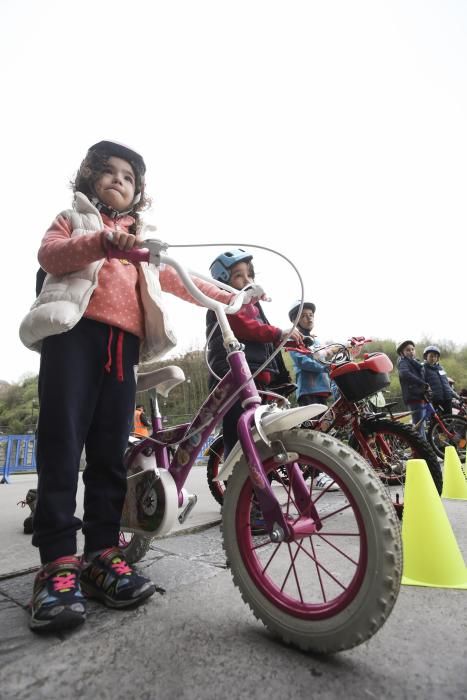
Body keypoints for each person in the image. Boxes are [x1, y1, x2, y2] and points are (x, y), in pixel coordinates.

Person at [19, 140, 243, 634]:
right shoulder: (75, 219)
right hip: (72, 338)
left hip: (123, 349)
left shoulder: (144, 242)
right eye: (110, 172)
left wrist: (235, 296)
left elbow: (185, 281)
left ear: (138, 193)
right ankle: (57, 562)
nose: (120, 180)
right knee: (61, 445)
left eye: (129, 177)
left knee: (108, 450)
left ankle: (102, 553)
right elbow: (50, 255)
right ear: (89, 179)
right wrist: (100, 242)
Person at [206, 249, 302, 458]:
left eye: (249, 275)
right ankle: (236, 475)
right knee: (239, 429)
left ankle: (256, 472)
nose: (247, 280)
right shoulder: (226, 303)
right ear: (222, 281)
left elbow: (265, 337)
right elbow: (245, 327)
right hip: (234, 377)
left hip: (255, 376)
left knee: (258, 430)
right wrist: (278, 332)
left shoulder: (251, 304)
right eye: (238, 275)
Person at [287, 301, 339, 490]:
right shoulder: (293, 340)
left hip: (323, 391)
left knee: (324, 432)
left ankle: (322, 472)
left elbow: (326, 356)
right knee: (314, 435)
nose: (309, 318)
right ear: (295, 320)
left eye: (311, 315)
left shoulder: (316, 341)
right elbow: (303, 362)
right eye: (304, 315)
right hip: (308, 392)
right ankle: (316, 477)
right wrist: (325, 366)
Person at [396, 340, 430, 439]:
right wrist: (421, 382)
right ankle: (420, 450)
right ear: (402, 353)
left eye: (412, 349)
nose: (411, 351)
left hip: (421, 396)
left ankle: (423, 448)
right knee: (418, 426)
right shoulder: (403, 363)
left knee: (421, 426)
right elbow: (405, 374)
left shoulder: (416, 363)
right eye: (408, 350)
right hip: (413, 397)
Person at [423, 345, 458, 415]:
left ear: (437, 358)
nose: (433, 358)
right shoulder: (423, 369)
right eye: (431, 356)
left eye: (435, 356)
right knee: (437, 423)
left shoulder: (441, 368)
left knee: (449, 420)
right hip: (435, 400)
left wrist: (456, 395)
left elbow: (446, 384)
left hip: (447, 399)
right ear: (426, 357)